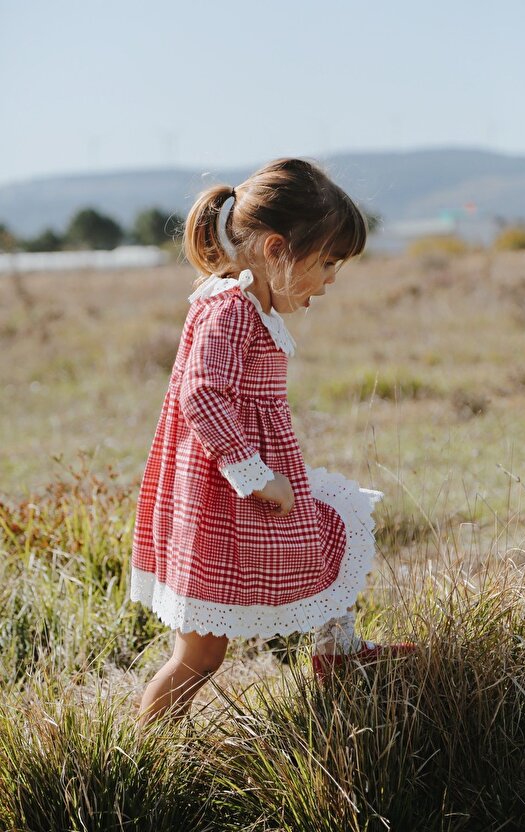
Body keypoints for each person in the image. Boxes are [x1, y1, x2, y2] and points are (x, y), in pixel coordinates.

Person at [130, 157, 416, 728]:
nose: (330, 280)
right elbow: (201, 395)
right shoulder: (230, 308)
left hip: (237, 494)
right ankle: (143, 753)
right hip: (223, 503)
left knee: (335, 519)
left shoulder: (244, 304)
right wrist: (255, 474)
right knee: (198, 657)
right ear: (277, 249)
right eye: (327, 262)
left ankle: (336, 649)